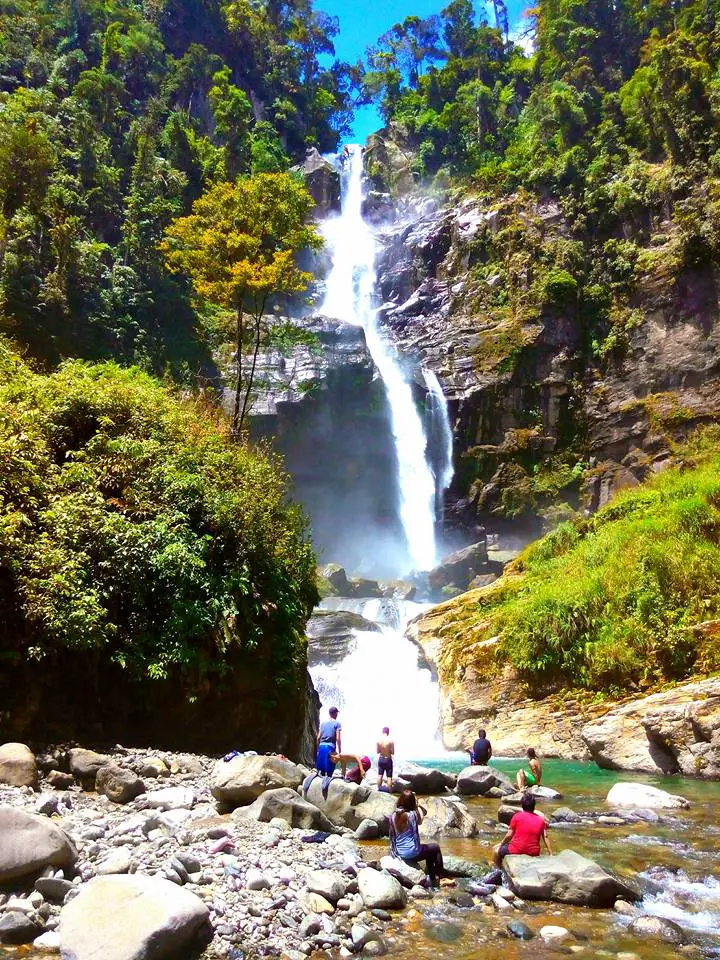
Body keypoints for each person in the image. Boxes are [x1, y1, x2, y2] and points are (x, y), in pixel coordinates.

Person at [389, 789, 445, 886]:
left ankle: (432, 879)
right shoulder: (412, 815)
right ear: (411, 803)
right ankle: (440, 876)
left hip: (399, 852)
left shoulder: (393, 816)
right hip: (412, 853)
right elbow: (421, 820)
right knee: (435, 847)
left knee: (429, 852)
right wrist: (418, 806)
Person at [493, 792, 553, 866]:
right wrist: (550, 853)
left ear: (522, 805)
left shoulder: (517, 816)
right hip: (534, 853)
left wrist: (501, 843)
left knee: (495, 850)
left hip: (517, 850)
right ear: (534, 806)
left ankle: (500, 870)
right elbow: (545, 837)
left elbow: (509, 835)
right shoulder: (540, 820)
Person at [316, 706, 341, 776]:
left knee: (322, 772)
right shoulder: (337, 723)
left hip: (321, 747)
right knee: (330, 772)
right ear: (335, 713)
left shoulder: (323, 724)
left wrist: (318, 750)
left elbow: (318, 738)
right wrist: (340, 752)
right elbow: (338, 739)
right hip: (330, 748)